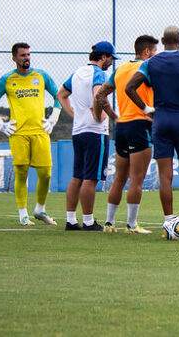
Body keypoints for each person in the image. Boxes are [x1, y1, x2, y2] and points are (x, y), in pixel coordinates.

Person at [124, 26, 179, 238]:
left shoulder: (149, 62)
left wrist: (147, 109)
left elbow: (130, 87)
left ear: (163, 40)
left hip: (161, 120)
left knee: (165, 177)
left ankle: (169, 224)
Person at [0, 42, 62, 226]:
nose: (26, 58)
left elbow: (59, 96)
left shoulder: (41, 75)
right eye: (22, 55)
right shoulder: (7, 79)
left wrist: (53, 117)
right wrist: (0, 123)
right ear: (14, 58)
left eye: (28, 55)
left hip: (40, 131)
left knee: (45, 174)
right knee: (21, 173)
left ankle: (40, 209)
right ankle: (23, 214)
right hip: (18, 133)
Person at [94, 35, 158, 233]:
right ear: (146, 52)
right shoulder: (148, 69)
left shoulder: (120, 70)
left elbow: (99, 95)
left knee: (120, 178)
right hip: (140, 124)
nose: (156, 56)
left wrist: (115, 118)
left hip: (122, 127)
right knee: (137, 179)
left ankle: (109, 223)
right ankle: (131, 225)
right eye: (155, 52)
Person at [57, 41, 117, 231]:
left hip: (79, 131)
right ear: (103, 57)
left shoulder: (77, 73)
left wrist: (74, 115)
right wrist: (99, 115)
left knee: (77, 176)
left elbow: (61, 95)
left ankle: (70, 219)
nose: (111, 63)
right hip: (95, 132)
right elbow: (98, 95)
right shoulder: (99, 74)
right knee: (91, 178)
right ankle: (89, 221)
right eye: (110, 59)